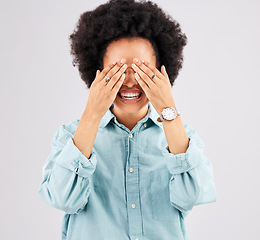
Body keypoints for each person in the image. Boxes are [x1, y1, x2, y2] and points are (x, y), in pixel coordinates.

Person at [38, 0, 217, 239]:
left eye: (142, 70)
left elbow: (193, 195)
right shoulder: (70, 137)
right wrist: (92, 113)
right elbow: (62, 199)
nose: (130, 81)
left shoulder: (182, 138)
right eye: (118, 70)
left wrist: (168, 108)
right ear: (97, 72)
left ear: (161, 72)